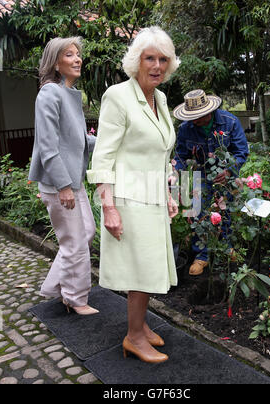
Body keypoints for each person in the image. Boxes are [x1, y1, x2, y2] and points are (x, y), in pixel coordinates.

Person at [87, 26, 180, 363]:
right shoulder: (118, 96)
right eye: (149, 58)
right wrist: (108, 207)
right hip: (128, 201)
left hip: (153, 199)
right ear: (136, 61)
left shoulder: (161, 98)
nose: (156, 65)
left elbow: (162, 153)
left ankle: (140, 327)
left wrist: (169, 193)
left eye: (162, 59)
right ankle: (133, 337)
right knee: (140, 272)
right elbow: (103, 157)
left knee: (151, 269)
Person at [28, 37, 99, 315]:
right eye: (69, 54)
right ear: (57, 63)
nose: (77, 58)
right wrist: (64, 186)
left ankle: (56, 287)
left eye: (78, 54)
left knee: (87, 233)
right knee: (74, 241)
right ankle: (75, 297)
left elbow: (80, 140)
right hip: (60, 184)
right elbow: (48, 146)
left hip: (73, 180)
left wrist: (111, 142)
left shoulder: (72, 94)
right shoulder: (49, 93)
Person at [172, 89, 249, 275]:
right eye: (192, 117)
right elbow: (180, 156)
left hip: (225, 178)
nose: (194, 120)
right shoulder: (185, 129)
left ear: (209, 112)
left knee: (226, 212)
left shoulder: (229, 122)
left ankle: (226, 247)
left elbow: (241, 152)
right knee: (198, 214)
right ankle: (201, 256)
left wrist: (230, 171)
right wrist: (176, 176)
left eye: (198, 116)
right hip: (200, 176)